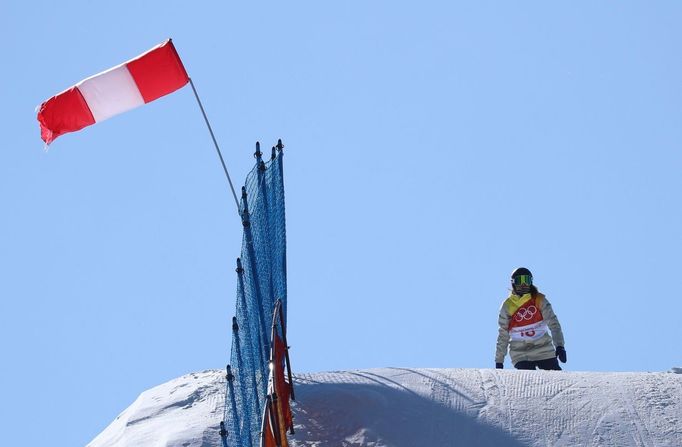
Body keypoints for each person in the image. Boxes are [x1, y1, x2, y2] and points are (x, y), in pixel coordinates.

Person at [495, 267, 566, 370]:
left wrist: (560, 346)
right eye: (520, 280)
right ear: (514, 283)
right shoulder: (508, 306)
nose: (524, 284)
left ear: (531, 282)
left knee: (554, 376)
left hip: (543, 349)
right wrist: (499, 361)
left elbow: (553, 323)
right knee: (528, 380)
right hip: (521, 353)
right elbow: (503, 334)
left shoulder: (539, 300)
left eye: (526, 280)